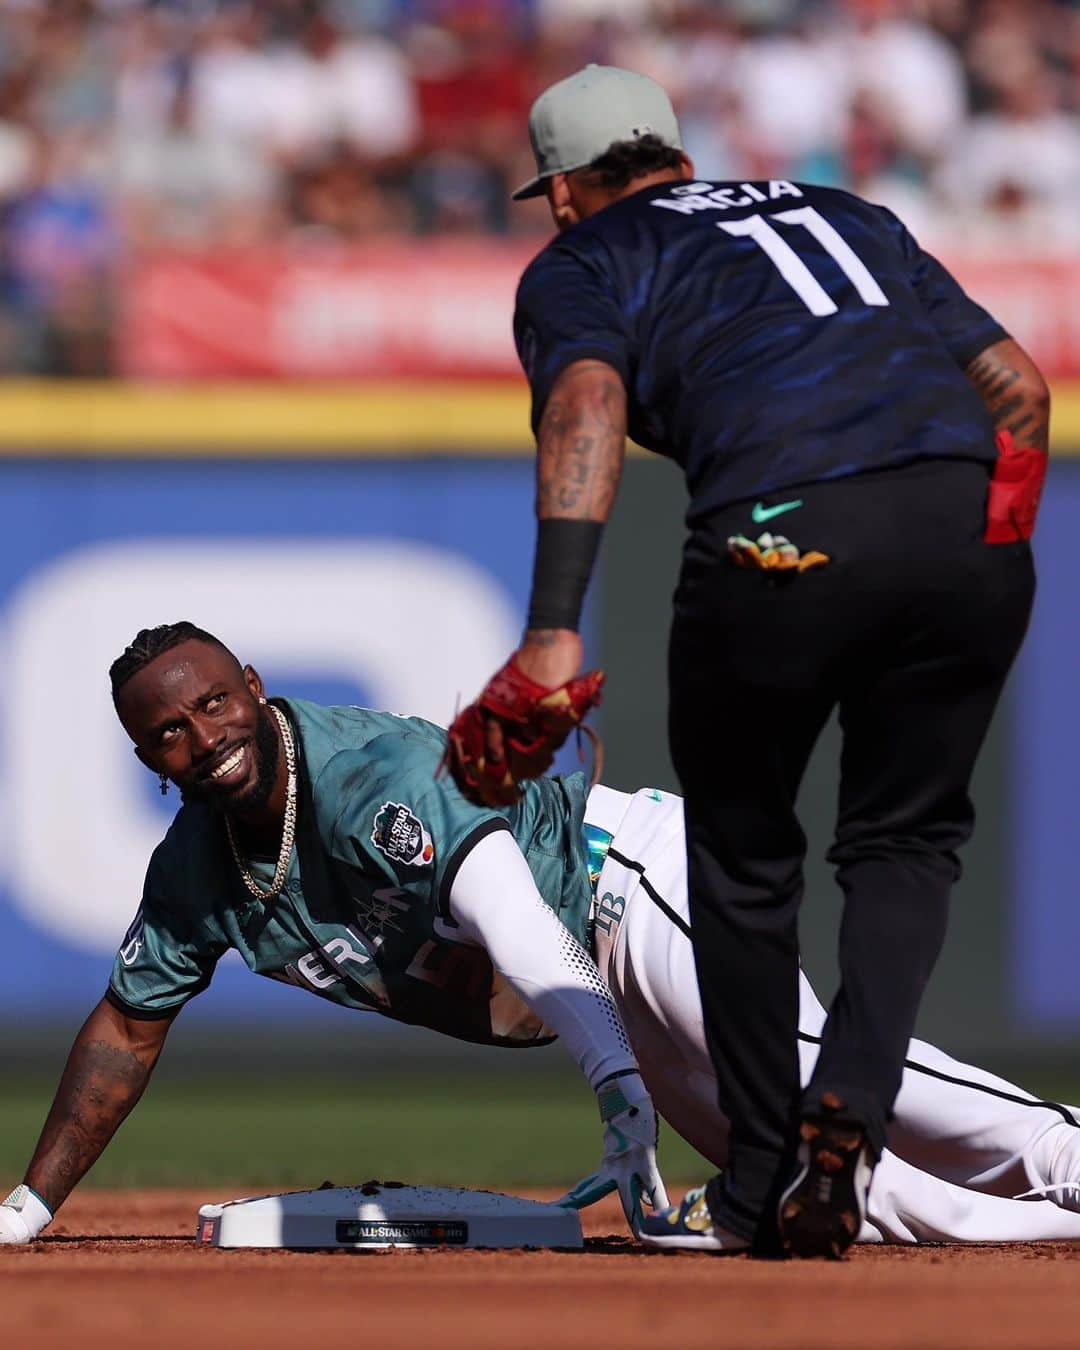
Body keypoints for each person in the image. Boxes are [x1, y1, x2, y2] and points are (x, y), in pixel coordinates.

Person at [445, 64, 1050, 1258]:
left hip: (782, 532)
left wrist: (555, 626)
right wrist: (976, 542)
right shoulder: (847, 212)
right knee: (908, 842)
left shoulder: (582, 259)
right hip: (964, 527)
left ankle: (764, 1178)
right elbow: (1018, 388)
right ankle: (852, 1116)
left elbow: (583, 403)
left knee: (744, 860)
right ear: (673, 151)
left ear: (564, 191)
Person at [4, 624, 1080, 1250]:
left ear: (252, 686)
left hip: (626, 882)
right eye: (169, 735)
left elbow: (514, 919)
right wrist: (28, 1205)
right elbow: (126, 1028)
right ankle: (1055, 1222)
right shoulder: (196, 870)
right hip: (593, 982)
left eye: (211, 705)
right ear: (151, 760)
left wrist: (614, 1081)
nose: (203, 740)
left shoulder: (369, 776)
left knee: (810, 1077)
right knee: (799, 1183)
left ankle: (1064, 1153)